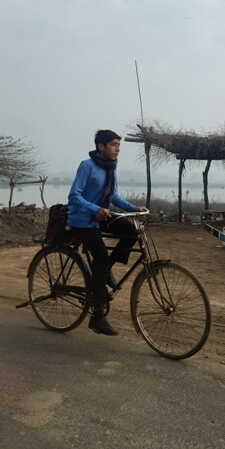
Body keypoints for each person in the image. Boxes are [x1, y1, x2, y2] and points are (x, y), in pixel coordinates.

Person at [67, 129, 147, 336]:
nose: (117, 149)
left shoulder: (111, 167)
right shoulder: (87, 166)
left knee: (130, 231)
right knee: (100, 257)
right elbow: (74, 196)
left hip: (100, 215)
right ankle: (97, 316)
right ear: (101, 146)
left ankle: (105, 271)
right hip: (82, 219)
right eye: (113, 145)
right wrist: (95, 209)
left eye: (119, 146)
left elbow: (114, 197)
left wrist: (132, 208)